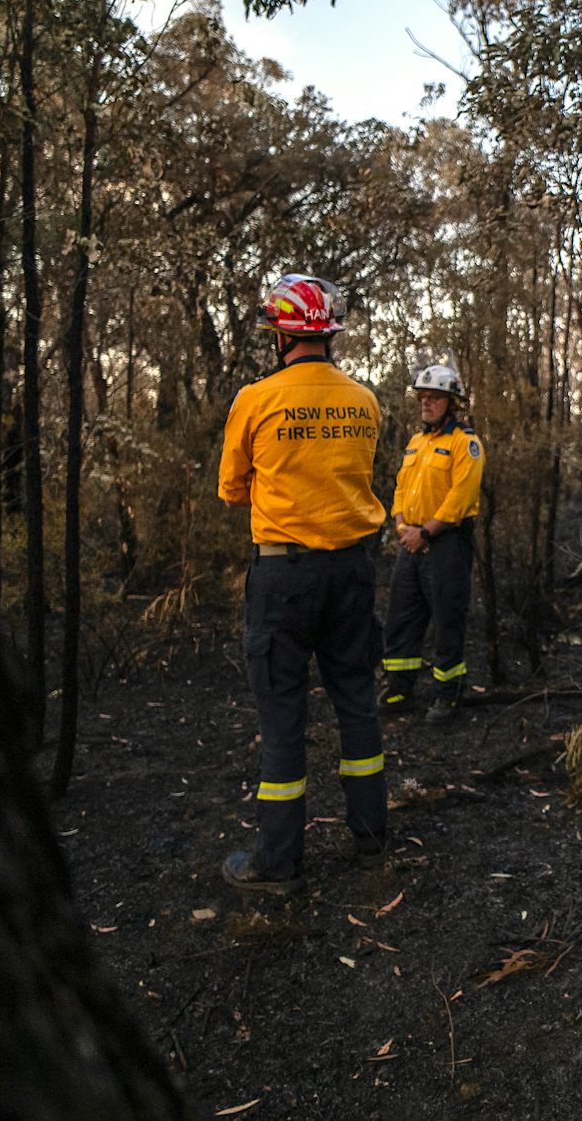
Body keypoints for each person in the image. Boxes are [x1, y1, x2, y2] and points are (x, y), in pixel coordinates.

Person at [216, 273, 388, 894]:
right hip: (353, 570)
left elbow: (232, 489)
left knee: (283, 716)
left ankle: (278, 862)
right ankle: (372, 841)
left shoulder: (255, 399)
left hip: (283, 575)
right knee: (357, 705)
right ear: (327, 333)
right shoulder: (364, 400)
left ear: (280, 332)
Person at [382, 364, 485, 725]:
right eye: (423, 397)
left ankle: (448, 695)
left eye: (434, 397)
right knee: (401, 618)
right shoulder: (416, 442)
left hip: (446, 546)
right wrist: (401, 525)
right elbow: (400, 488)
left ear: (451, 402)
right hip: (409, 543)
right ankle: (399, 688)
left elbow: (461, 496)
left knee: (447, 621)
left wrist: (426, 532)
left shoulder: (465, 443)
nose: (426, 403)